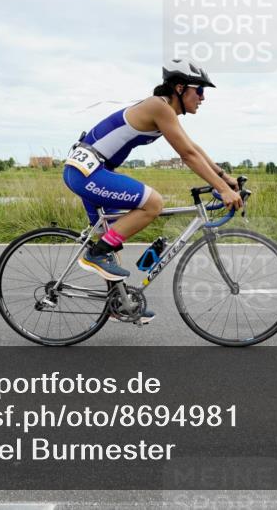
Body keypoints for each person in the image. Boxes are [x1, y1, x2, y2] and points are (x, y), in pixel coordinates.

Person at [62, 60, 243, 321]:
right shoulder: (159, 106)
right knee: (153, 203)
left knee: (111, 239)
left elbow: (193, 148)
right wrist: (223, 190)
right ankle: (95, 254)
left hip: (90, 170)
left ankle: (118, 304)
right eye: (200, 90)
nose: (203, 97)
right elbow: (188, 155)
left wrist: (225, 178)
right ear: (180, 88)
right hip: (87, 172)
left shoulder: (164, 110)